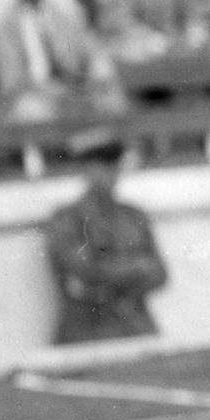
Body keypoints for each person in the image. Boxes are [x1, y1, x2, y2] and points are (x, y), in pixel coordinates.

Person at [44, 143, 167, 342]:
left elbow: (160, 274)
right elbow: (87, 271)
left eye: (113, 166)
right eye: (101, 166)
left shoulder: (134, 216)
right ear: (85, 170)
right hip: (88, 329)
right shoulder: (67, 219)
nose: (110, 173)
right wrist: (137, 267)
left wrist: (122, 273)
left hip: (135, 325)